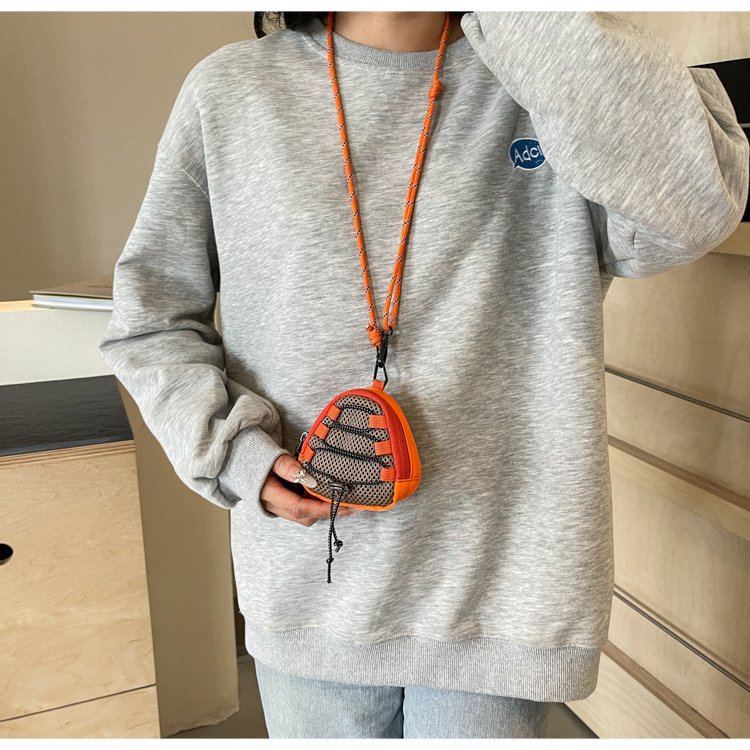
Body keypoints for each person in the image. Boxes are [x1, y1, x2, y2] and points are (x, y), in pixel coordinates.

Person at [98, 9, 749, 739]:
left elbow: (694, 209)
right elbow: (152, 320)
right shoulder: (229, 93)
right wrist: (233, 452)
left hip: (508, 596)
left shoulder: (555, 74)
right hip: (312, 587)